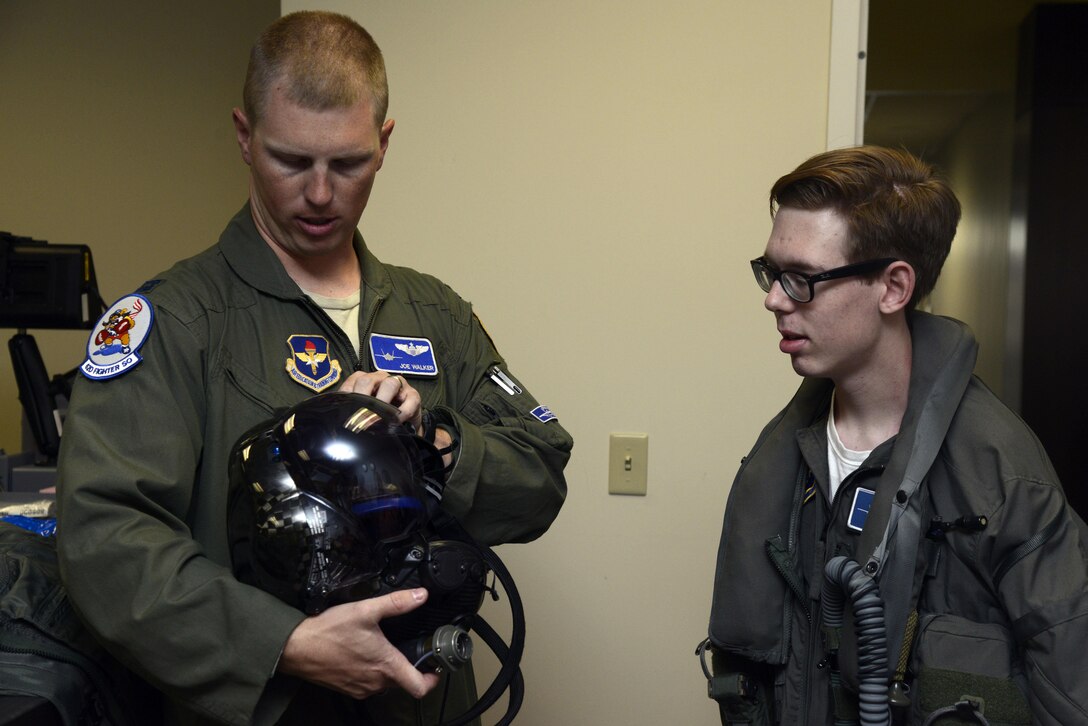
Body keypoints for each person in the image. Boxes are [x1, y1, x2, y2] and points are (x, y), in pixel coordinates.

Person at [55, 11, 572, 726]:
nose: (322, 194)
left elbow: (542, 472)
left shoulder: (435, 313)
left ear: (384, 143)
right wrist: (283, 643)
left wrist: (437, 444)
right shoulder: (175, 322)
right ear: (244, 137)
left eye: (348, 163)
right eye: (291, 161)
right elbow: (105, 538)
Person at [702, 146, 1088, 725]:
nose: (773, 298)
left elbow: (1071, 693)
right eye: (771, 272)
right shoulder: (782, 456)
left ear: (893, 288)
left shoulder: (1002, 478)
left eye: (802, 279)